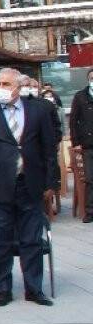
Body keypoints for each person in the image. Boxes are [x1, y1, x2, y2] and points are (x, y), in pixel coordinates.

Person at [0, 68, 59, 307]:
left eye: (6, 84)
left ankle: (34, 288)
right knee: (0, 239)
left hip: (30, 183)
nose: (1, 88)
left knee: (31, 238)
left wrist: (51, 182)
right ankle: (3, 289)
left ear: (18, 87)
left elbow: (49, 149)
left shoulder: (37, 111)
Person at [71, 68, 93, 223]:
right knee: (90, 178)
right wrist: (76, 142)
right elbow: (73, 121)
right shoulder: (80, 96)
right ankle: (90, 211)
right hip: (88, 144)